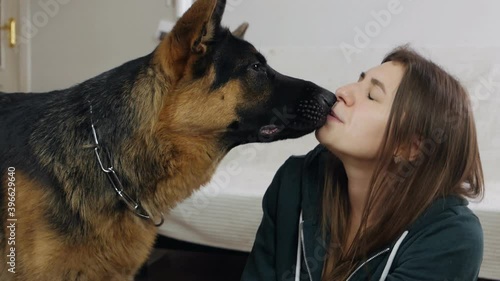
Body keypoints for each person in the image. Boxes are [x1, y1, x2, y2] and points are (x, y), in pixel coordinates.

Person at [240, 46, 484, 281]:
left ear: (411, 147)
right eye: (357, 81)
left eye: (371, 95)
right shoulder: (293, 183)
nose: (342, 91)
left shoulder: (451, 238)